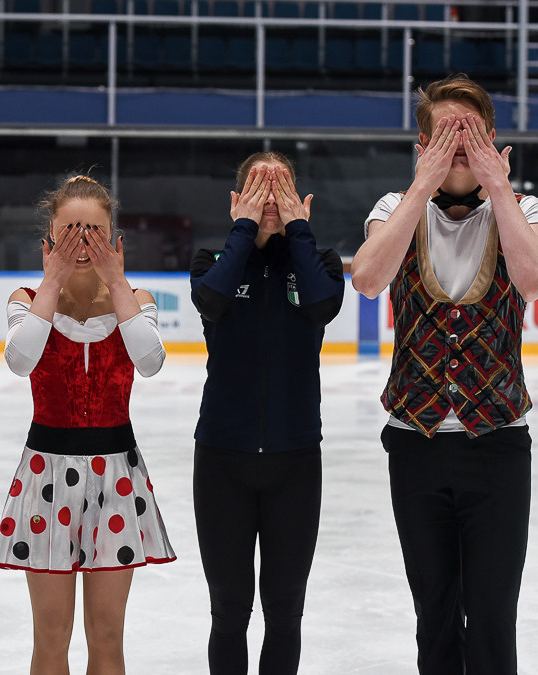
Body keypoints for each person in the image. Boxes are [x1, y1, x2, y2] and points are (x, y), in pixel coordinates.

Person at [351, 74, 538, 675]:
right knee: (434, 613)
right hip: (415, 443)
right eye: (446, 135)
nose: (460, 146)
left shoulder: (525, 210)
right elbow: (367, 281)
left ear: (494, 140)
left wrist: (499, 185)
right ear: (422, 145)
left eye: (472, 134)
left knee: (492, 614)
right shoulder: (394, 208)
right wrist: (422, 185)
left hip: (497, 443)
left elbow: (535, 282)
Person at [0, 175, 176, 675]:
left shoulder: (136, 298)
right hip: (45, 478)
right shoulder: (28, 297)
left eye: (94, 233)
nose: (83, 244)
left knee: (108, 637)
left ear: (115, 241)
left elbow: (151, 362)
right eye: (70, 232)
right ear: (48, 241)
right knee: (51, 637)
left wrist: (118, 282)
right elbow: (20, 361)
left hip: (117, 479)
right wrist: (52, 282)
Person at [189, 152, 345, 674]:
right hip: (222, 461)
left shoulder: (320, 263)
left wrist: (297, 230)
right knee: (229, 612)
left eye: (282, 191)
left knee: (285, 613)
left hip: (295, 462)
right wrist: (245, 229)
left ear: (303, 202)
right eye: (259, 190)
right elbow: (212, 302)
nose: (271, 201)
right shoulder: (212, 262)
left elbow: (321, 307)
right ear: (237, 202)